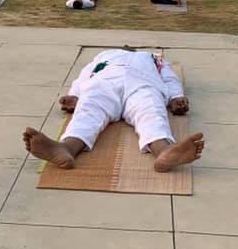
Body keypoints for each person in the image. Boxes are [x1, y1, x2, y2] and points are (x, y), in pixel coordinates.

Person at [22, 48, 204, 173]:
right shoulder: (105, 55)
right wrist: (75, 94)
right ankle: (66, 148)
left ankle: (164, 151)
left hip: (142, 84)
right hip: (105, 82)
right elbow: (85, 73)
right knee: (88, 110)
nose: (127, 47)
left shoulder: (152, 56)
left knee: (151, 112)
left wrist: (176, 97)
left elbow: (169, 77)